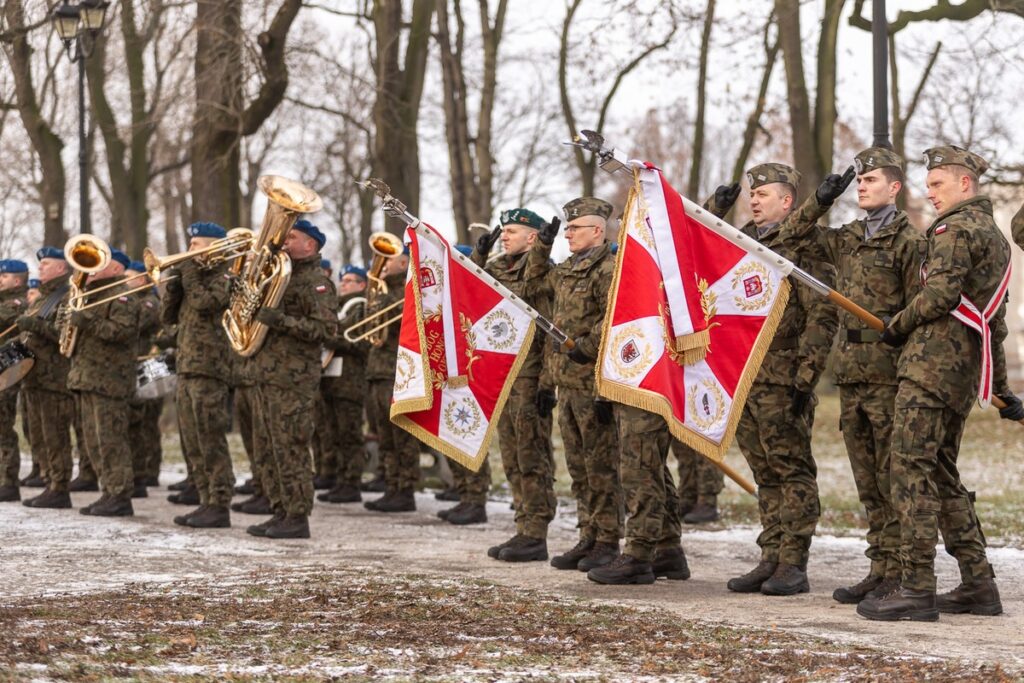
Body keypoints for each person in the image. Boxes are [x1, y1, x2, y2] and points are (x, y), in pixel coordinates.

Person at [859, 146, 1012, 621]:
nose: (931, 193)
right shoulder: (996, 236)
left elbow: (941, 295)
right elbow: (994, 324)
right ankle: (978, 584)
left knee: (909, 472)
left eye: (938, 184)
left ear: (965, 184)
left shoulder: (952, 230)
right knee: (943, 474)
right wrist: (1001, 388)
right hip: (962, 375)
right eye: (928, 186)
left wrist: (896, 325)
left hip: (929, 370)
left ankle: (917, 587)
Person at [776, 148, 923, 604]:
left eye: (871, 180)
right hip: (853, 376)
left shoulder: (909, 242)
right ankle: (879, 567)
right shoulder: (848, 238)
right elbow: (790, 236)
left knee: (891, 479)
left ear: (894, 188)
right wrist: (820, 200)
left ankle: (900, 571)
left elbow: (919, 313)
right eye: (858, 180)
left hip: (889, 374)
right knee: (867, 483)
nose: (861, 186)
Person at [726, 163, 838, 596]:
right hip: (746, 373)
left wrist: (805, 377)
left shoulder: (805, 243)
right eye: (752, 195)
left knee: (791, 469)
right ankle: (770, 554)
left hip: (784, 376)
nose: (753, 200)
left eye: (764, 194)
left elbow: (820, 312)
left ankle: (793, 561)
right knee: (764, 470)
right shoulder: (742, 243)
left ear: (788, 201)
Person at [526, 197, 622, 572]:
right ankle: (589, 535)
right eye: (566, 228)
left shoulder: (607, 269)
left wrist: (587, 347)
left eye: (574, 228)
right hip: (565, 383)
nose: (568, 234)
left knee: (601, 466)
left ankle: (608, 539)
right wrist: (542, 246)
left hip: (594, 381)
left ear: (597, 231)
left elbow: (613, 318)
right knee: (579, 468)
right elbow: (534, 283)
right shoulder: (566, 269)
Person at [246, 219, 338, 539]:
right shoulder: (277, 277)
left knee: (291, 447)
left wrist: (279, 320)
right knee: (269, 447)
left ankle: (297, 515)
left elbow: (325, 331)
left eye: (292, 236)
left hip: (293, 379)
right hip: (267, 373)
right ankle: (279, 509)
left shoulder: (316, 282)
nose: (284, 240)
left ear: (310, 245)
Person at [162, 222, 235, 528]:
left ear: (213, 248)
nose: (190, 251)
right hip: (187, 367)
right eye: (190, 245)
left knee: (210, 437)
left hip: (210, 369)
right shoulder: (192, 279)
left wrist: (189, 274)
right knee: (192, 439)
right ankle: (204, 498)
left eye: (196, 246)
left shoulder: (226, 277)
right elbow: (167, 318)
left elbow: (205, 304)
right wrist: (173, 285)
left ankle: (219, 503)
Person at [69, 248, 140, 516]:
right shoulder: (88, 296)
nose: (91, 268)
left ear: (116, 269)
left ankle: (120, 495)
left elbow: (120, 332)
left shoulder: (122, 296)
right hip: (87, 377)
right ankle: (108, 491)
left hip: (110, 380)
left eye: (100, 264)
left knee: (111, 439)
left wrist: (86, 319)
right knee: (94, 440)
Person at [363, 246, 423, 514]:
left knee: (402, 436)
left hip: (398, 372)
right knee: (383, 436)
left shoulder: (408, 293)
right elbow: (369, 332)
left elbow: (411, 329)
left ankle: (406, 489)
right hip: (376, 371)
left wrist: (385, 306)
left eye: (389, 259)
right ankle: (391, 484)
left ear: (403, 262)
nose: (383, 264)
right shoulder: (380, 292)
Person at [18, 248, 76, 508]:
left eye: (46, 264)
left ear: (62, 269)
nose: (40, 268)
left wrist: (35, 325)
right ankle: (49, 481)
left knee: (56, 435)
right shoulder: (43, 297)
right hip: (35, 376)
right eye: (40, 264)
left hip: (54, 378)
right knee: (41, 434)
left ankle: (60, 487)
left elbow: (64, 335)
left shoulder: (65, 295)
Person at [318, 264, 370, 504]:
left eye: (350, 281)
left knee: (350, 434)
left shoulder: (360, 307)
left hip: (350, 381)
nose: (344, 284)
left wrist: (330, 337)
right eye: (343, 280)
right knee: (334, 433)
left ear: (362, 285)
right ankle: (339, 478)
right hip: (332, 380)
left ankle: (351, 482)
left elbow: (359, 342)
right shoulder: (338, 307)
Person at [125, 261, 163, 498]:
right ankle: (142, 469)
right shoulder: (133, 301)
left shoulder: (149, 302)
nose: (126, 281)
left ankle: (150, 470)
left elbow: (136, 326)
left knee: (148, 420)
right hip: (136, 363)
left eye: (129, 277)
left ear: (142, 279)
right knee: (138, 419)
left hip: (150, 364)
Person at [0, 259, 30, 502]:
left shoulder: (18, 302)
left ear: (17, 280)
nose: (0, 279)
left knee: (3, 429)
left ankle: (9, 482)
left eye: (5, 276)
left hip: (7, 369)